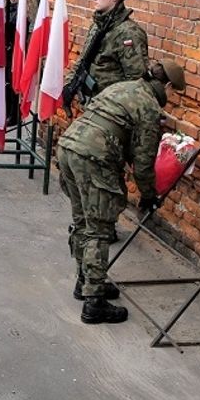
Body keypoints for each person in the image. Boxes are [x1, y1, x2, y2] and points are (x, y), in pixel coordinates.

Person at [56, 60, 186, 324]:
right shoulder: (149, 107)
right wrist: (149, 196)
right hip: (93, 157)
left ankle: (87, 282)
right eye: (174, 93)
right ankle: (94, 303)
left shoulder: (122, 87)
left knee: (83, 222)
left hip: (69, 147)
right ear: (167, 86)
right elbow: (144, 161)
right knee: (99, 229)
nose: (171, 99)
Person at [62, 0, 149, 108]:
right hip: (92, 104)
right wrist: (68, 84)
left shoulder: (129, 33)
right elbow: (83, 59)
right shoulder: (97, 26)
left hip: (111, 110)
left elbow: (136, 83)